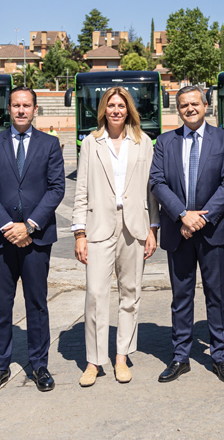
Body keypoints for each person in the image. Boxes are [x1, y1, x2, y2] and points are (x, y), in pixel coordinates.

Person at [0, 86, 66, 395]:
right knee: (2, 304)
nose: (21, 110)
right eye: (16, 105)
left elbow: (56, 189)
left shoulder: (50, 145)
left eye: (27, 105)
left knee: (37, 303)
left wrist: (28, 226)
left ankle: (40, 365)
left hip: (37, 238)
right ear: (9, 109)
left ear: (35, 109)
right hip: (1, 240)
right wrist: (7, 226)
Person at [149, 85, 224, 383]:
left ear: (205, 105)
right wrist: (182, 215)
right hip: (179, 231)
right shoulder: (164, 142)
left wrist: (202, 218)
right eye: (184, 104)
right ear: (178, 109)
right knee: (181, 296)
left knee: (216, 295)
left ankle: (220, 357)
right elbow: (157, 181)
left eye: (195, 103)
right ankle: (180, 356)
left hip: (213, 231)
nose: (190, 108)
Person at [71, 87, 159, 386]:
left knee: (130, 293)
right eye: (111, 106)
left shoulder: (143, 142)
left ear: (129, 109)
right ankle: (94, 361)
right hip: (99, 226)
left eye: (122, 106)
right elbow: (81, 190)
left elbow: (152, 191)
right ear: (103, 110)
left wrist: (153, 228)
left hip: (134, 225)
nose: (117, 111)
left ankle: (122, 356)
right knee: (95, 294)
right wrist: (79, 232)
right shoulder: (91, 143)